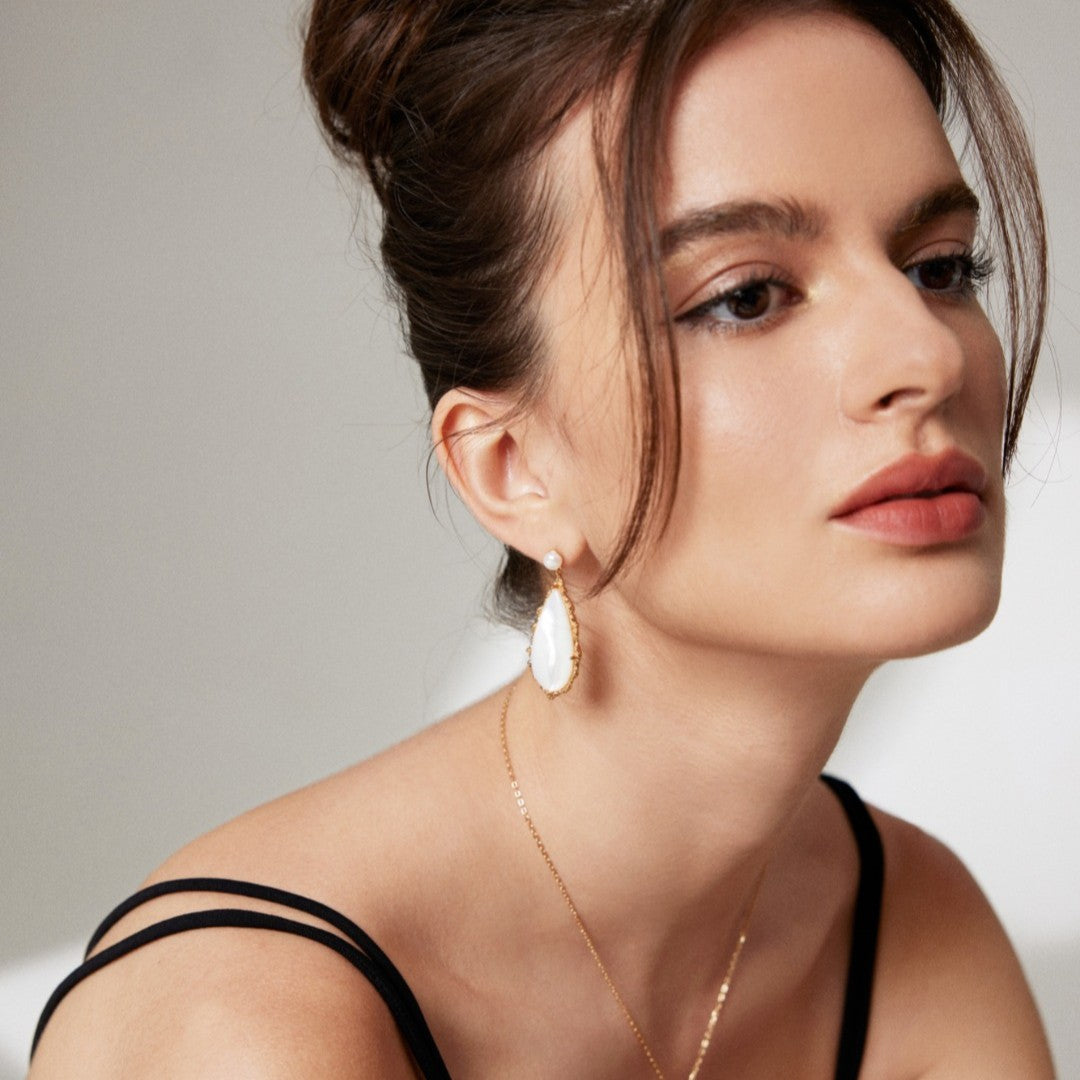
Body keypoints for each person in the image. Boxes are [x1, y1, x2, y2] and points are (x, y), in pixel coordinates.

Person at [27, 1, 1056, 1076]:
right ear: (513, 469)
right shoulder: (246, 1027)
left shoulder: (910, 929)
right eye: (746, 297)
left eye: (940, 267)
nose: (928, 357)